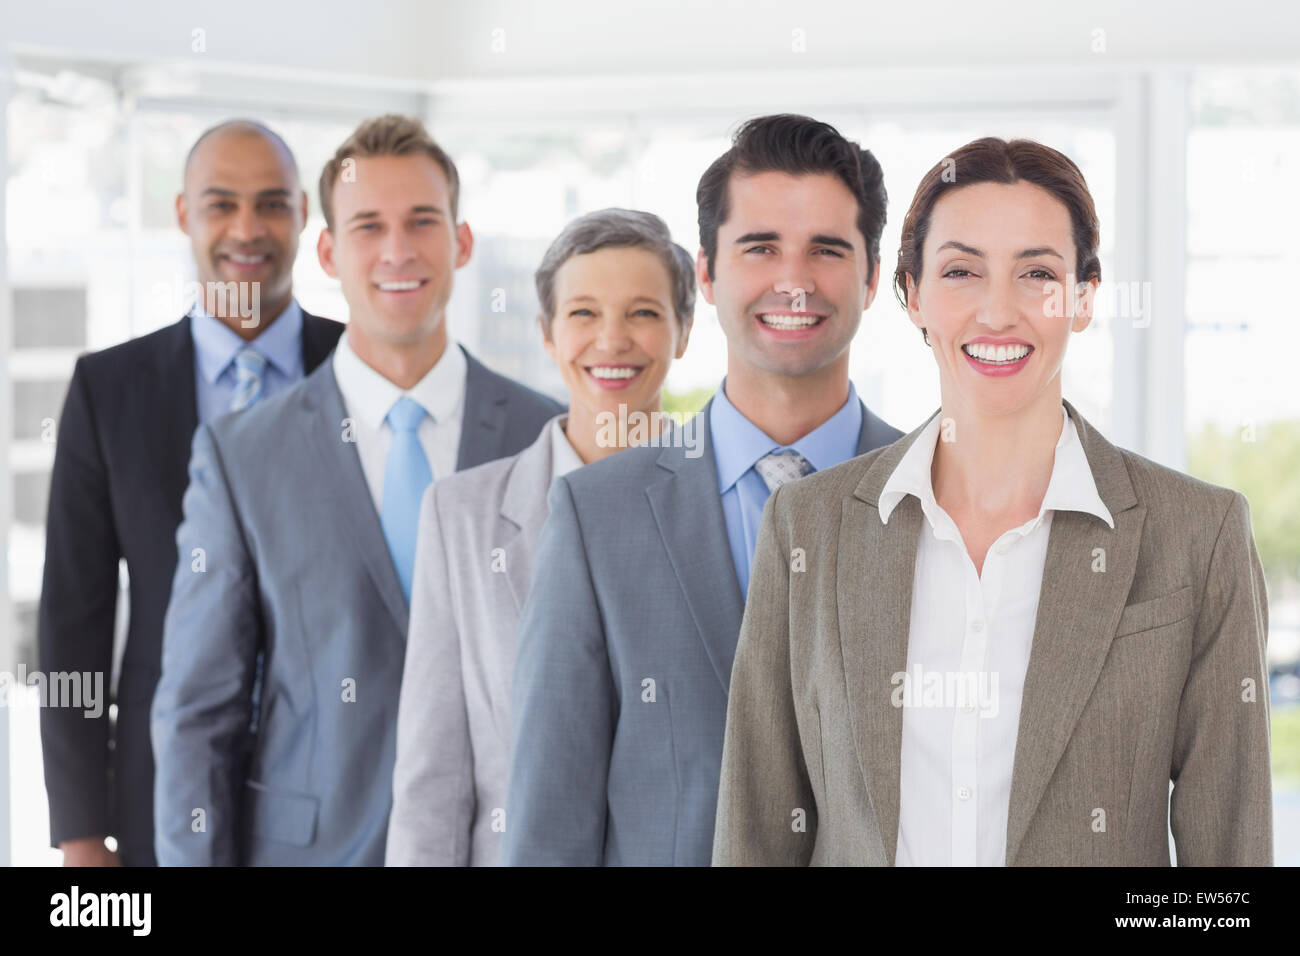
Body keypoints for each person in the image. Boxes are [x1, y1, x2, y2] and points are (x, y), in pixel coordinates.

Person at [713, 136, 1272, 866]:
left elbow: (1228, 865)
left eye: (1037, 272)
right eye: (961, 271)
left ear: (1084, 298)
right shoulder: (807, 527)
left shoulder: (1200, 535)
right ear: (912, 295)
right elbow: (757, 829)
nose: (998, 311)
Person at [150, 114, 562, 866]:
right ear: (331, 252)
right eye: (369, 226)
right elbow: (195, 715)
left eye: (422, 222)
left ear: (461, 242)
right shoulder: (243, 456)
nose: (398, 251)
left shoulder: (548, 436)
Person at [502, 114, 902, 866]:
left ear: (872, 275)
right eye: (760, 248)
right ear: (709, 273)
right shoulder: (597, 516)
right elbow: (549, 822)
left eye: (826, 248)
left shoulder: (939, 495)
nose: (793, 279)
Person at [39, 119, 345, 867]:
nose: (248, 228)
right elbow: (73, 624)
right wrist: (81, 833)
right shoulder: (108, 390)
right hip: (158, 792)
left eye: (272, 203)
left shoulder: (359, 373)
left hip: (343, 784)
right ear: (183, 214)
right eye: (221, 204)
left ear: (304, 213)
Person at [387, 208, 694, 866]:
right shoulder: (460, 515)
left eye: (643, 312)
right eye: (583, 313)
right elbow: (431, 777)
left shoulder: (730, 509)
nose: (611, 341)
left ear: (684, 331)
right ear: (547, 335)